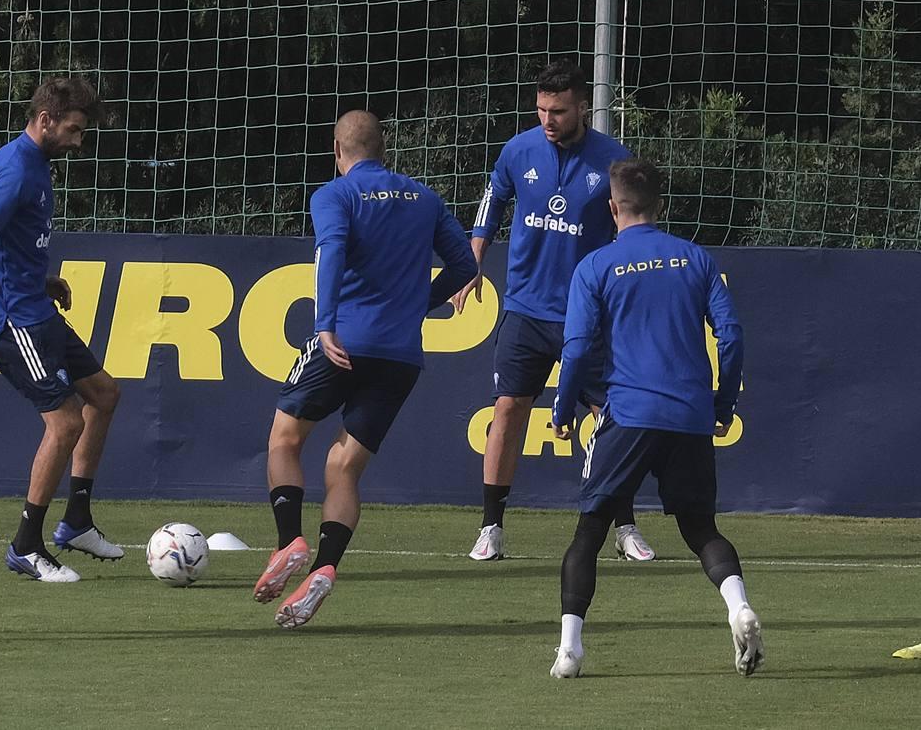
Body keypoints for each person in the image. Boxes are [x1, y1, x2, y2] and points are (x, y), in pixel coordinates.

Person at [251, 111, 477, 628]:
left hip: (344, 342)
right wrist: (419, 302)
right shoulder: (424, 198)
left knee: (285, 439)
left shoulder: (334, 195)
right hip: (400, 356)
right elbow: (465, 265)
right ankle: (325, 569)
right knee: (344, 467)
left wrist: (325, 323)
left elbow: (330, 249)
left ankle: (290, 543)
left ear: (337, 151)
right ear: (383, 149)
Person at [547, 158, 761, 679]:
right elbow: (731, 336)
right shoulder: (695, 259)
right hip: (688, 416)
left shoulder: (595, 267)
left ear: (612, 207)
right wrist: (723, 403)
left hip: (628, 413)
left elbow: (575, 349)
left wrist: (562, 407)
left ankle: (570, 649)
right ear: (659, 205)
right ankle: (739, 607)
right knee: (700, 527)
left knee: (590, 530)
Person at [452, 61, 654, 562]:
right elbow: (491, 203)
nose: (548, 119)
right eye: (541, 109)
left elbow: (629, 227)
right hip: (525, 308)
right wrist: (472, 257)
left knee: (611, 417)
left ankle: (624, 525)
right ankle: (491, 527)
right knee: (508, 409)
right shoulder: (518, 150)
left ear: (582, 106)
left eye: (558, 110)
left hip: (590, 314)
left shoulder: (613, 160)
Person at [0, 77, 123, 583]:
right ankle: (26, 546)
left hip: (34, 304)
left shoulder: (35, 163)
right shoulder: (14, 169)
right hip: (12, 321)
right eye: (73, 129)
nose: (78, 141)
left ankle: (76, 521)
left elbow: (9, 241)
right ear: (45, 119)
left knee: (105, 394)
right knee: (65, 422)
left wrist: (41, 278)